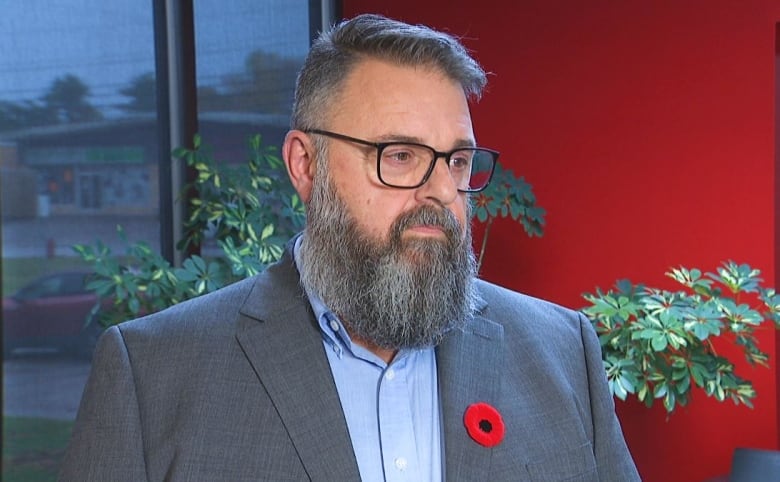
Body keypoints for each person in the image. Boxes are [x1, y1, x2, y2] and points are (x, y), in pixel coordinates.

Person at [59, 13, 640, 481]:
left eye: (458, 162)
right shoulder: (152, 375)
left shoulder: (563, 353)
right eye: (401, 156)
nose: (441, 192)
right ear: (305, 165)